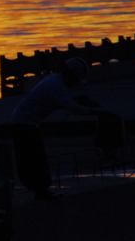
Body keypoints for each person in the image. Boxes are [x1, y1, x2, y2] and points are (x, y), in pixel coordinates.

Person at [11, 57, 117, 200]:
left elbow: (59, 101)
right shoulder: (56, 85)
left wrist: (80, 100)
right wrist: (98, 112)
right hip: (24, 124)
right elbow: (72, 107)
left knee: (33, 157)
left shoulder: (53, 79)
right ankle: (41, 191)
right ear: (71, 74)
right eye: (75, 79)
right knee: (34, 158)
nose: (74, 84)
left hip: (24, 122)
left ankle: (40, 190)